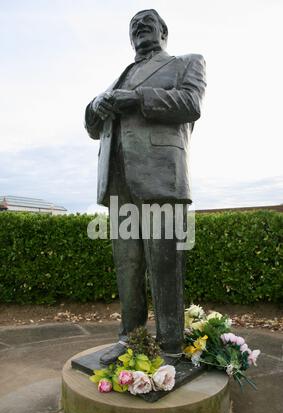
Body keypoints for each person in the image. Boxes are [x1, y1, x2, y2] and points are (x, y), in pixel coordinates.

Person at [85, 9, 206, 364]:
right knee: (128, 266)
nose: (140, 28)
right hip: (118, 181)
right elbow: (94, 126)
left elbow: (190, 103)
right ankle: (131, 339)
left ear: (163, 31)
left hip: (161, 178)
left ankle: (170, 346)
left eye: (147, 22)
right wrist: (96, 104)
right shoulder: (120, 76)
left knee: (165, 265)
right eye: (134, 26)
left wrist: (137, 99)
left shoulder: (187, 62)